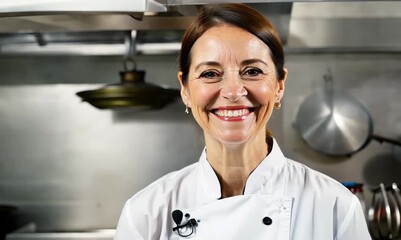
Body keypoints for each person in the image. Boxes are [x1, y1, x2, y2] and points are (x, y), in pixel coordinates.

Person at [114, 3, 371, 239]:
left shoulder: (334, 207)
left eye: (253, 71)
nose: (234, 91)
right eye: (210, 73)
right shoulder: (145, 214)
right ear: (185, 90)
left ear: (279, 86)